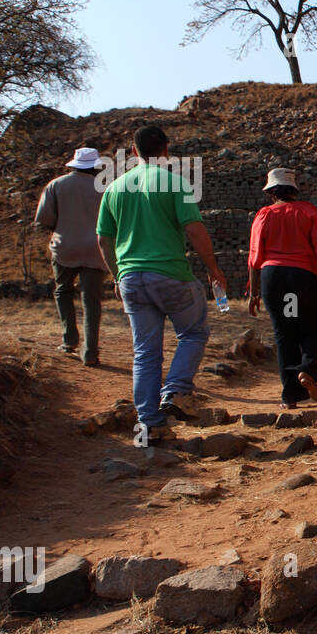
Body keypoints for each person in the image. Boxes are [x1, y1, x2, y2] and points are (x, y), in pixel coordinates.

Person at [96, 125, 227, 436]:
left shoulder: (114, 188)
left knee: (145, 351)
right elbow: (194, 229)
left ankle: (149, 427)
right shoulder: (174, 183)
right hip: (170, 275)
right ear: (167, 149)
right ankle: (177, 391)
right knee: (193, 333)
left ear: (133, 152)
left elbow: (103, 240)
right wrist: (213, 268)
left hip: (130, 278)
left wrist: (117, 276)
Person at [248, 168, 317, 408]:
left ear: (271, 192)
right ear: (294, 190)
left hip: (274, 279)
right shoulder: (307, 212)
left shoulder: (264, 215)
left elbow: (255, 258)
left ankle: (290, 396)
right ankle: (306, 369)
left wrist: (254, 293)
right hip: (302, 278)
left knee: (285, 334)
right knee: (310, 330)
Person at [34, 148, 109, 365]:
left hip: (64, 247)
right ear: (96, 167)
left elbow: (44, 219)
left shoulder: (56, 185)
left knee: (63, 291)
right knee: (92, 302)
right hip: (96, 249)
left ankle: (69, 340)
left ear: (73, 165)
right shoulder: (103, 188)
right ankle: (91, 352)